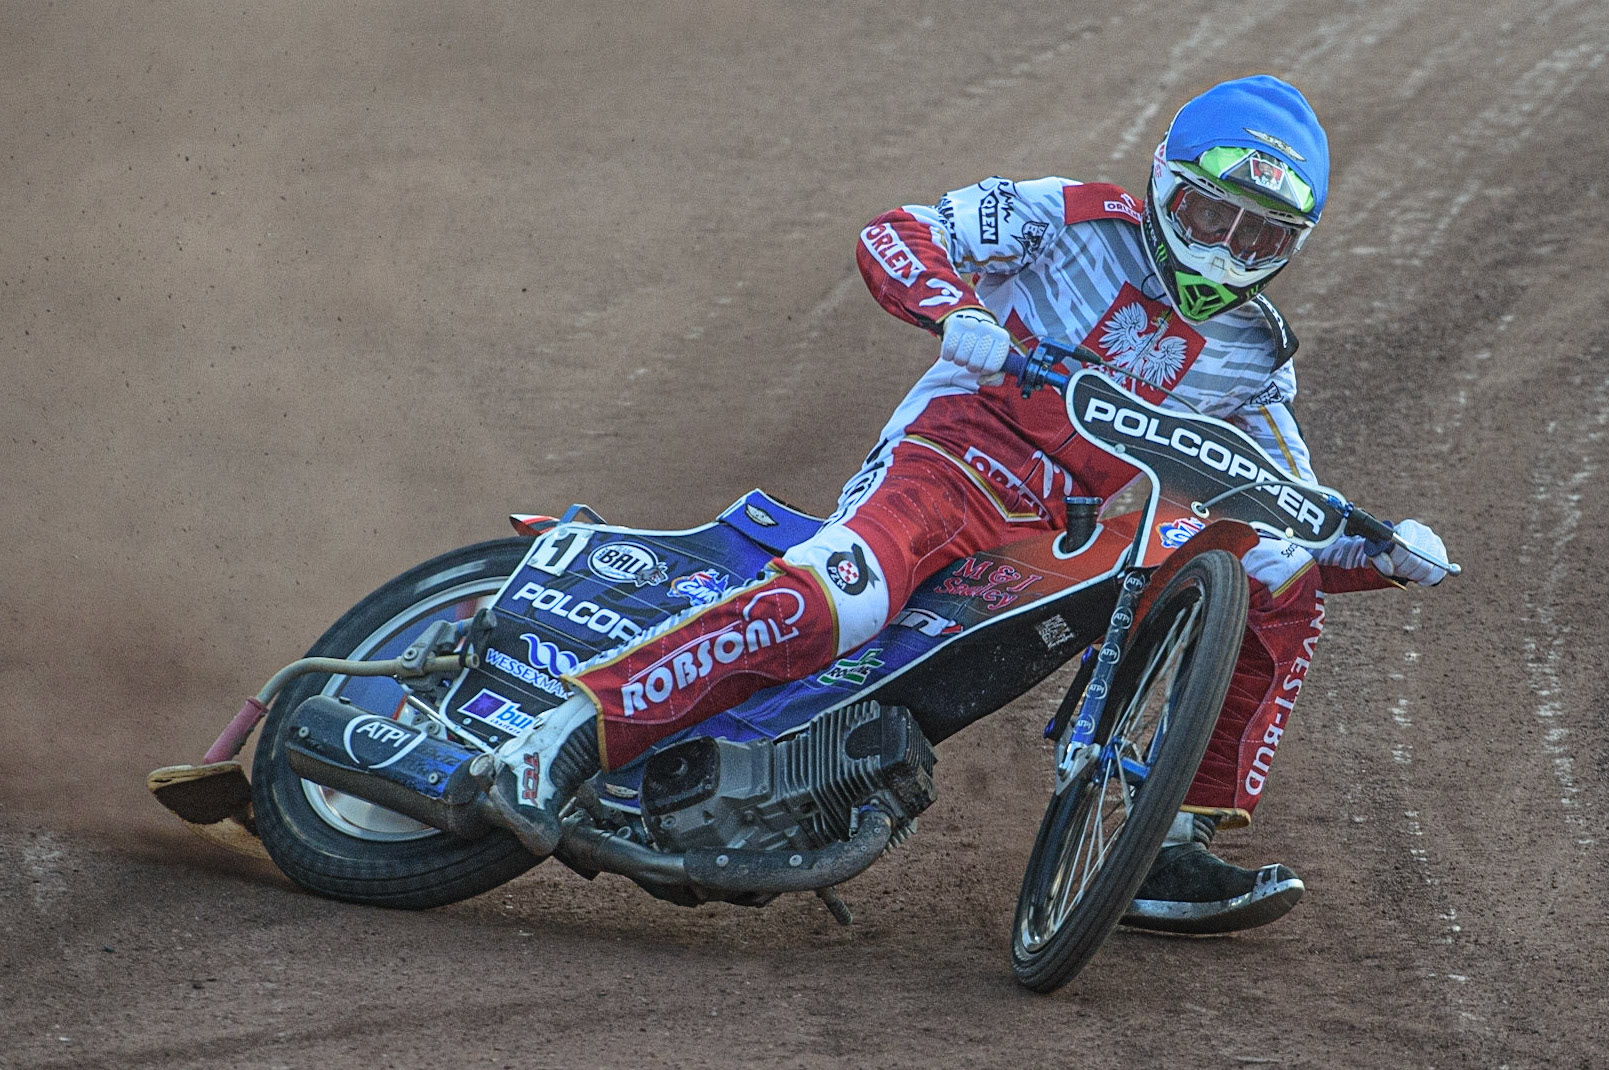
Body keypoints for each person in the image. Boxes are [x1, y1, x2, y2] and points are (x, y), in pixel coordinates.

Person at [485, 75, 1448, 933]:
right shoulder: (1065, 217)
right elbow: (896, 232)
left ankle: (1164, 839)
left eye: (1261, 234)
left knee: (1274, 572)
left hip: (1071, 539)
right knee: (841, 602)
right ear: (1165, 184)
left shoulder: (1256, 355)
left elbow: (1293, 505)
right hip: (950, 463)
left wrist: (1389, 552)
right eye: (1207, 214)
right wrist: (958, 313)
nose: (1227, 249)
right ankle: (558, 740)